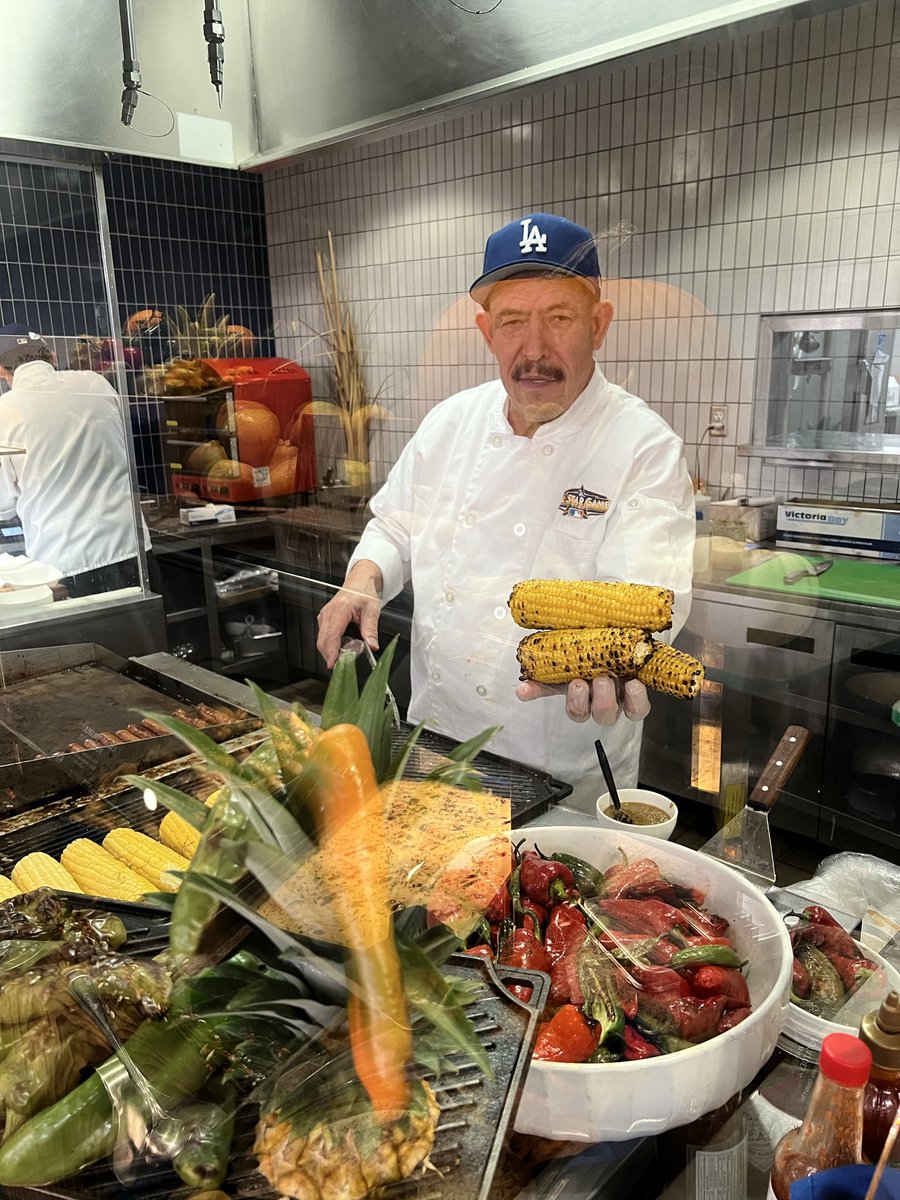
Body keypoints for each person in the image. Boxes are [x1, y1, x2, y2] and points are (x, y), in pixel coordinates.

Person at [316, 213, 695, 805]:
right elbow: (396, 523)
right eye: (513, 322)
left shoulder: (642, 446)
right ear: (487, 331)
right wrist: (363, 580)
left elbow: (647, 599)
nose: (534, 350)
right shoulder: (450, 422)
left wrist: (617, 660)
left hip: (560, 768)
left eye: (560, 319)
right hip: (434, 743)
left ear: (599, 325)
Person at [0, 323, 145, 598]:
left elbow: (4, 504)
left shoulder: (5, 409)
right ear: (52, 358)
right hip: (132, 548)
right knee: (150, 639)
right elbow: (121, 443)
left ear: (1, 370)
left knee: (93, 640)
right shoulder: (94, 383)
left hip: (67, 561)